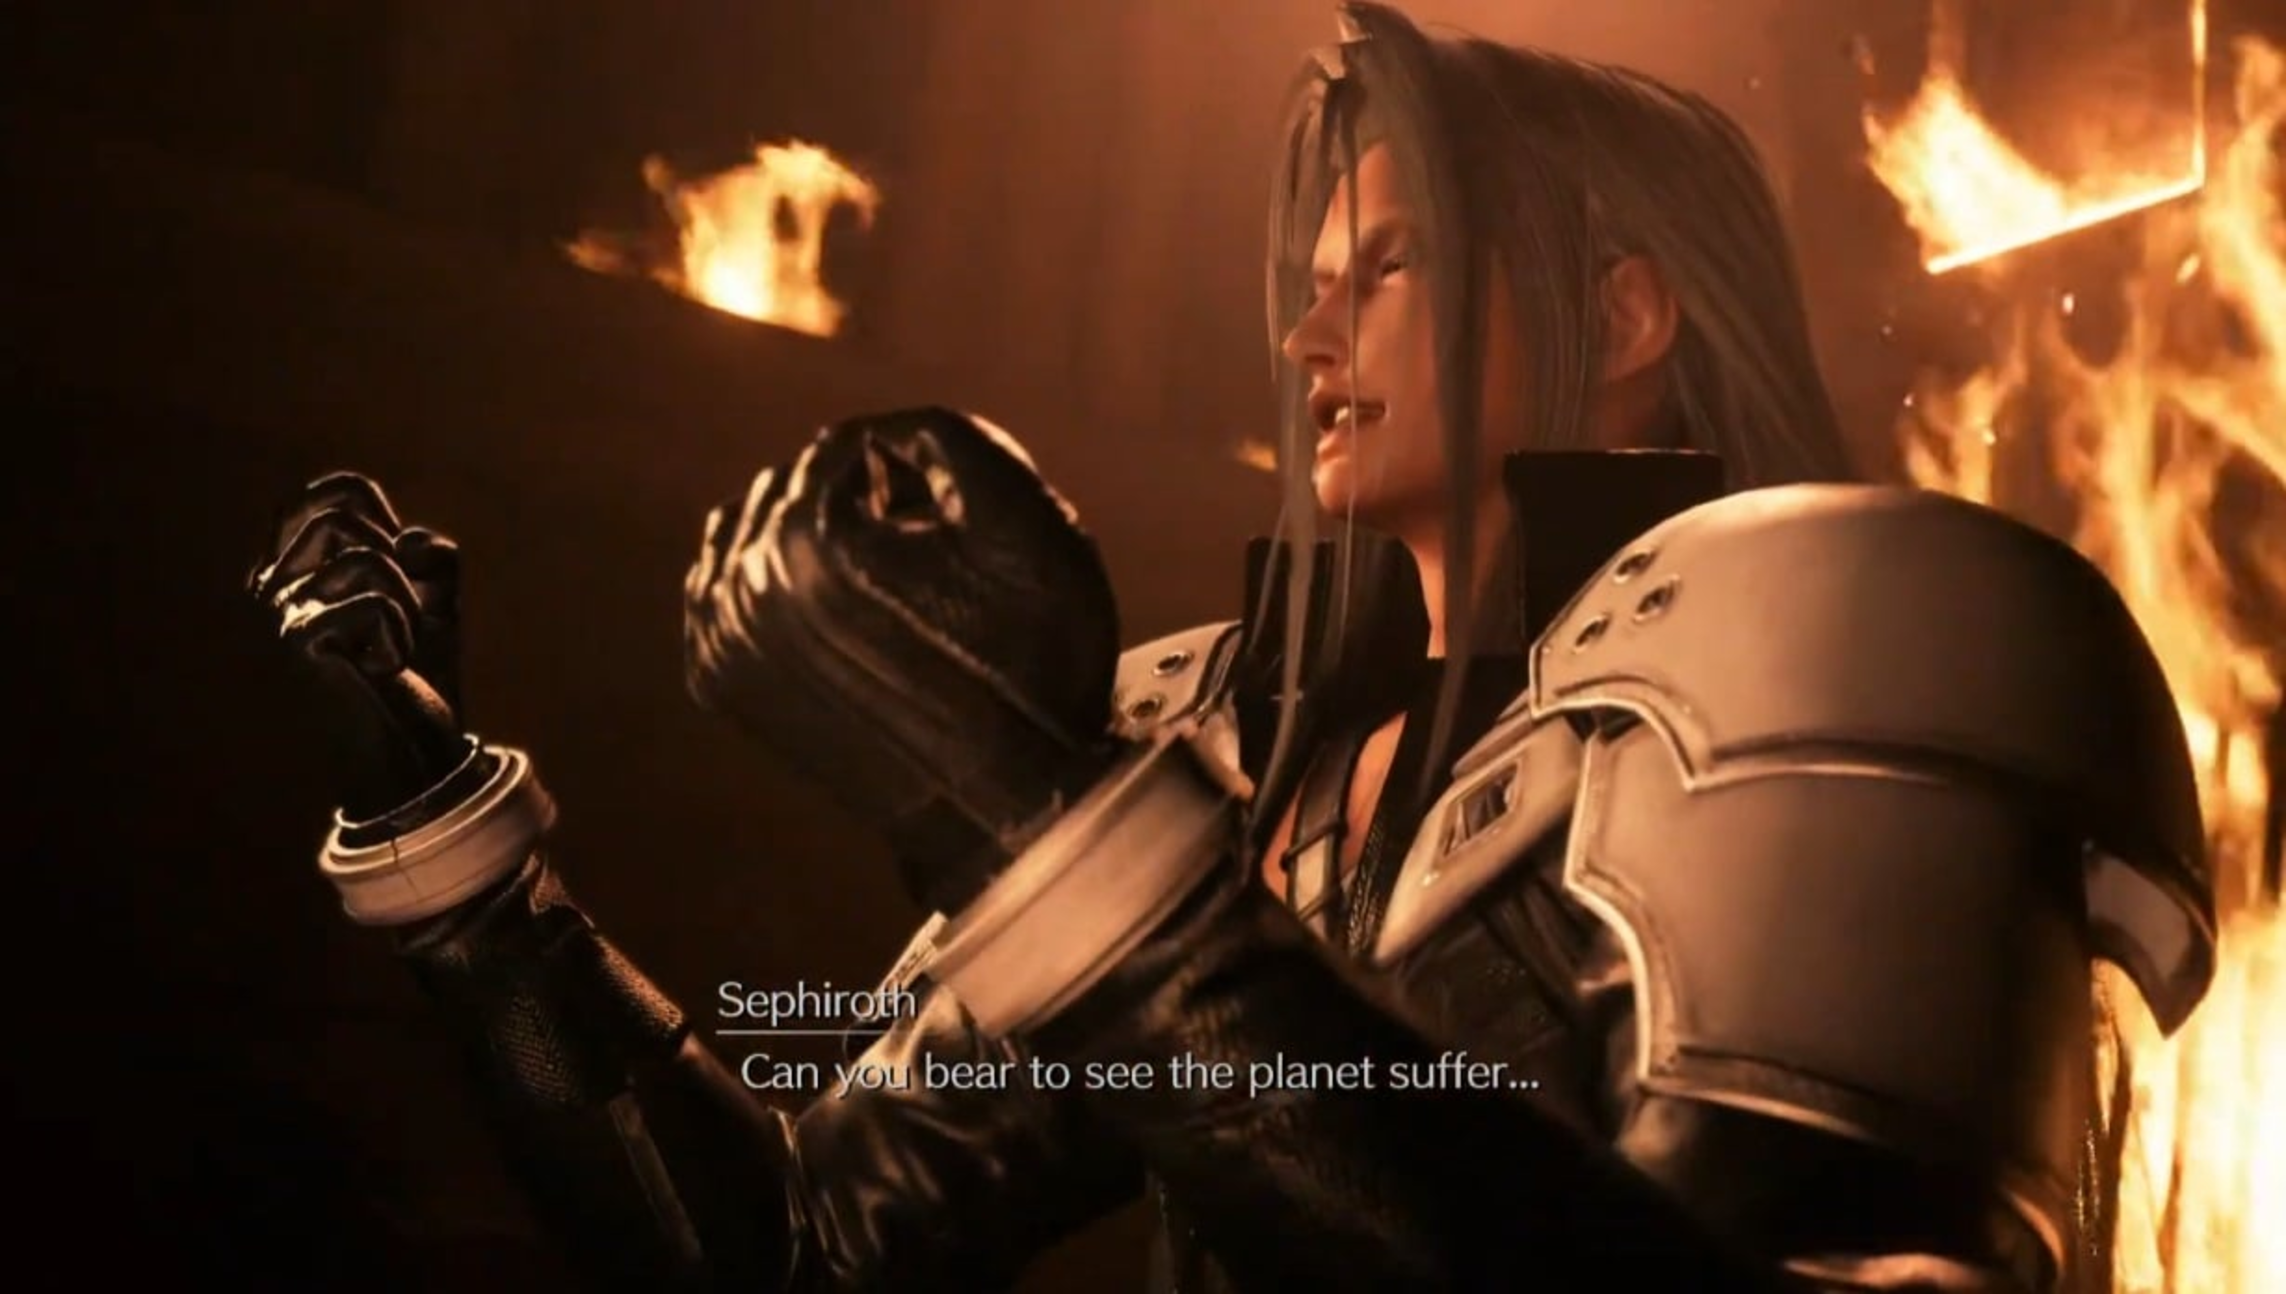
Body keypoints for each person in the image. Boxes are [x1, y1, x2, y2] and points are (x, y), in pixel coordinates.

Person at [245, 4, 2216, 1290]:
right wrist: (450, 841)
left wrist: (1050, 835)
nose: (1309, 330)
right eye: (1308, 277)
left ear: (1623, 316)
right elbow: (790, 1246)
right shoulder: (1232, 750)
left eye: (1389, 265)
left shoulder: (1857, 624)